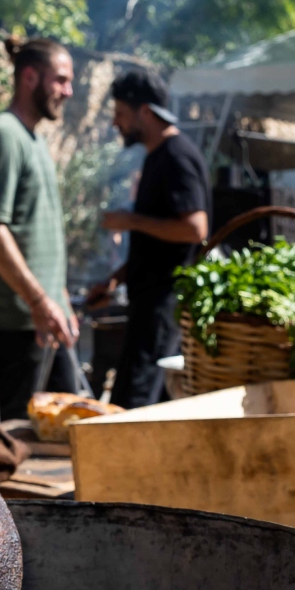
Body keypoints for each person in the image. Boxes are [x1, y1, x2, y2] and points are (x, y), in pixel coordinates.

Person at [86, 69, 210, 409]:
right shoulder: (158, 156)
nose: (115, 123)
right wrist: (116, 279)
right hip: (148, 307)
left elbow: (195, 229)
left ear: (144, 112)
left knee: (134, 405)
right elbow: (157, 247)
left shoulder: (177, 156)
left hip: (163, 310)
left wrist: (130, 221)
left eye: (120, 113)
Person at [0, 37, 80, 419]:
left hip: (47, 317)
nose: (68, 91)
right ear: (30, 77)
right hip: (16, 323)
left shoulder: (33, 139)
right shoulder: (3, 135)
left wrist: (61, 301)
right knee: (18, 439)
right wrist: (38, 301)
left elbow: (40, 230)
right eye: (61, 80)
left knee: (71, 429)